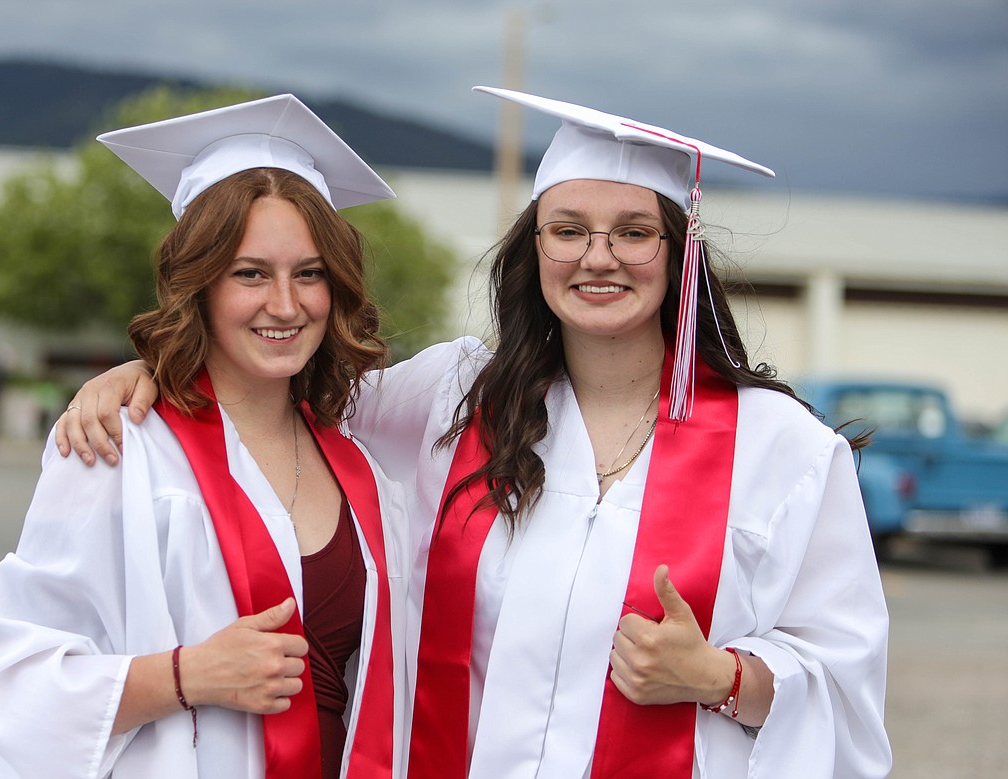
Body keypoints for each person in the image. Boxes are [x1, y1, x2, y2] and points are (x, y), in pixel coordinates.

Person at [58, 86, 892, 778]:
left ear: (678, 254)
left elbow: (846, 684)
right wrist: (151, 375)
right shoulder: (450, 399)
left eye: (635, 232)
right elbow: (277, 394)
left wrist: (720, 676)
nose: (597, 257)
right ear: (534, 249)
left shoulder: (781, 450)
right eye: (567, 229)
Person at [0, 94, 407, 779]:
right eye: (250, 273)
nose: (286, 304)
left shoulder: (363, 449)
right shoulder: (117, 448)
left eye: (310, 273)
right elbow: (15, 680)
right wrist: (186, 674)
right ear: (197, 283)